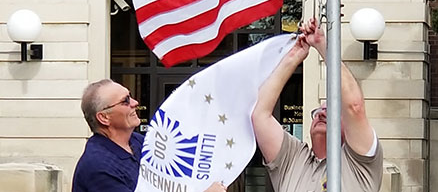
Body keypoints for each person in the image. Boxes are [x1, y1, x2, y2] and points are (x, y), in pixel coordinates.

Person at [251, 18, 383, 192]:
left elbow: (354, 106)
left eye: (331, 111)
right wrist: (293, 58)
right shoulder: (292, 159)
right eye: (319, 110)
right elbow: (260, 115)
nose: (321, 113)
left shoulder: (359, 164)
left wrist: (323, 46)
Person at [72, 79, 228, 192]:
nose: (135, 102)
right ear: (104, 118)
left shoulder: (139, 141)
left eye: (130, 95)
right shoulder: (98, 167)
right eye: (125, 101)